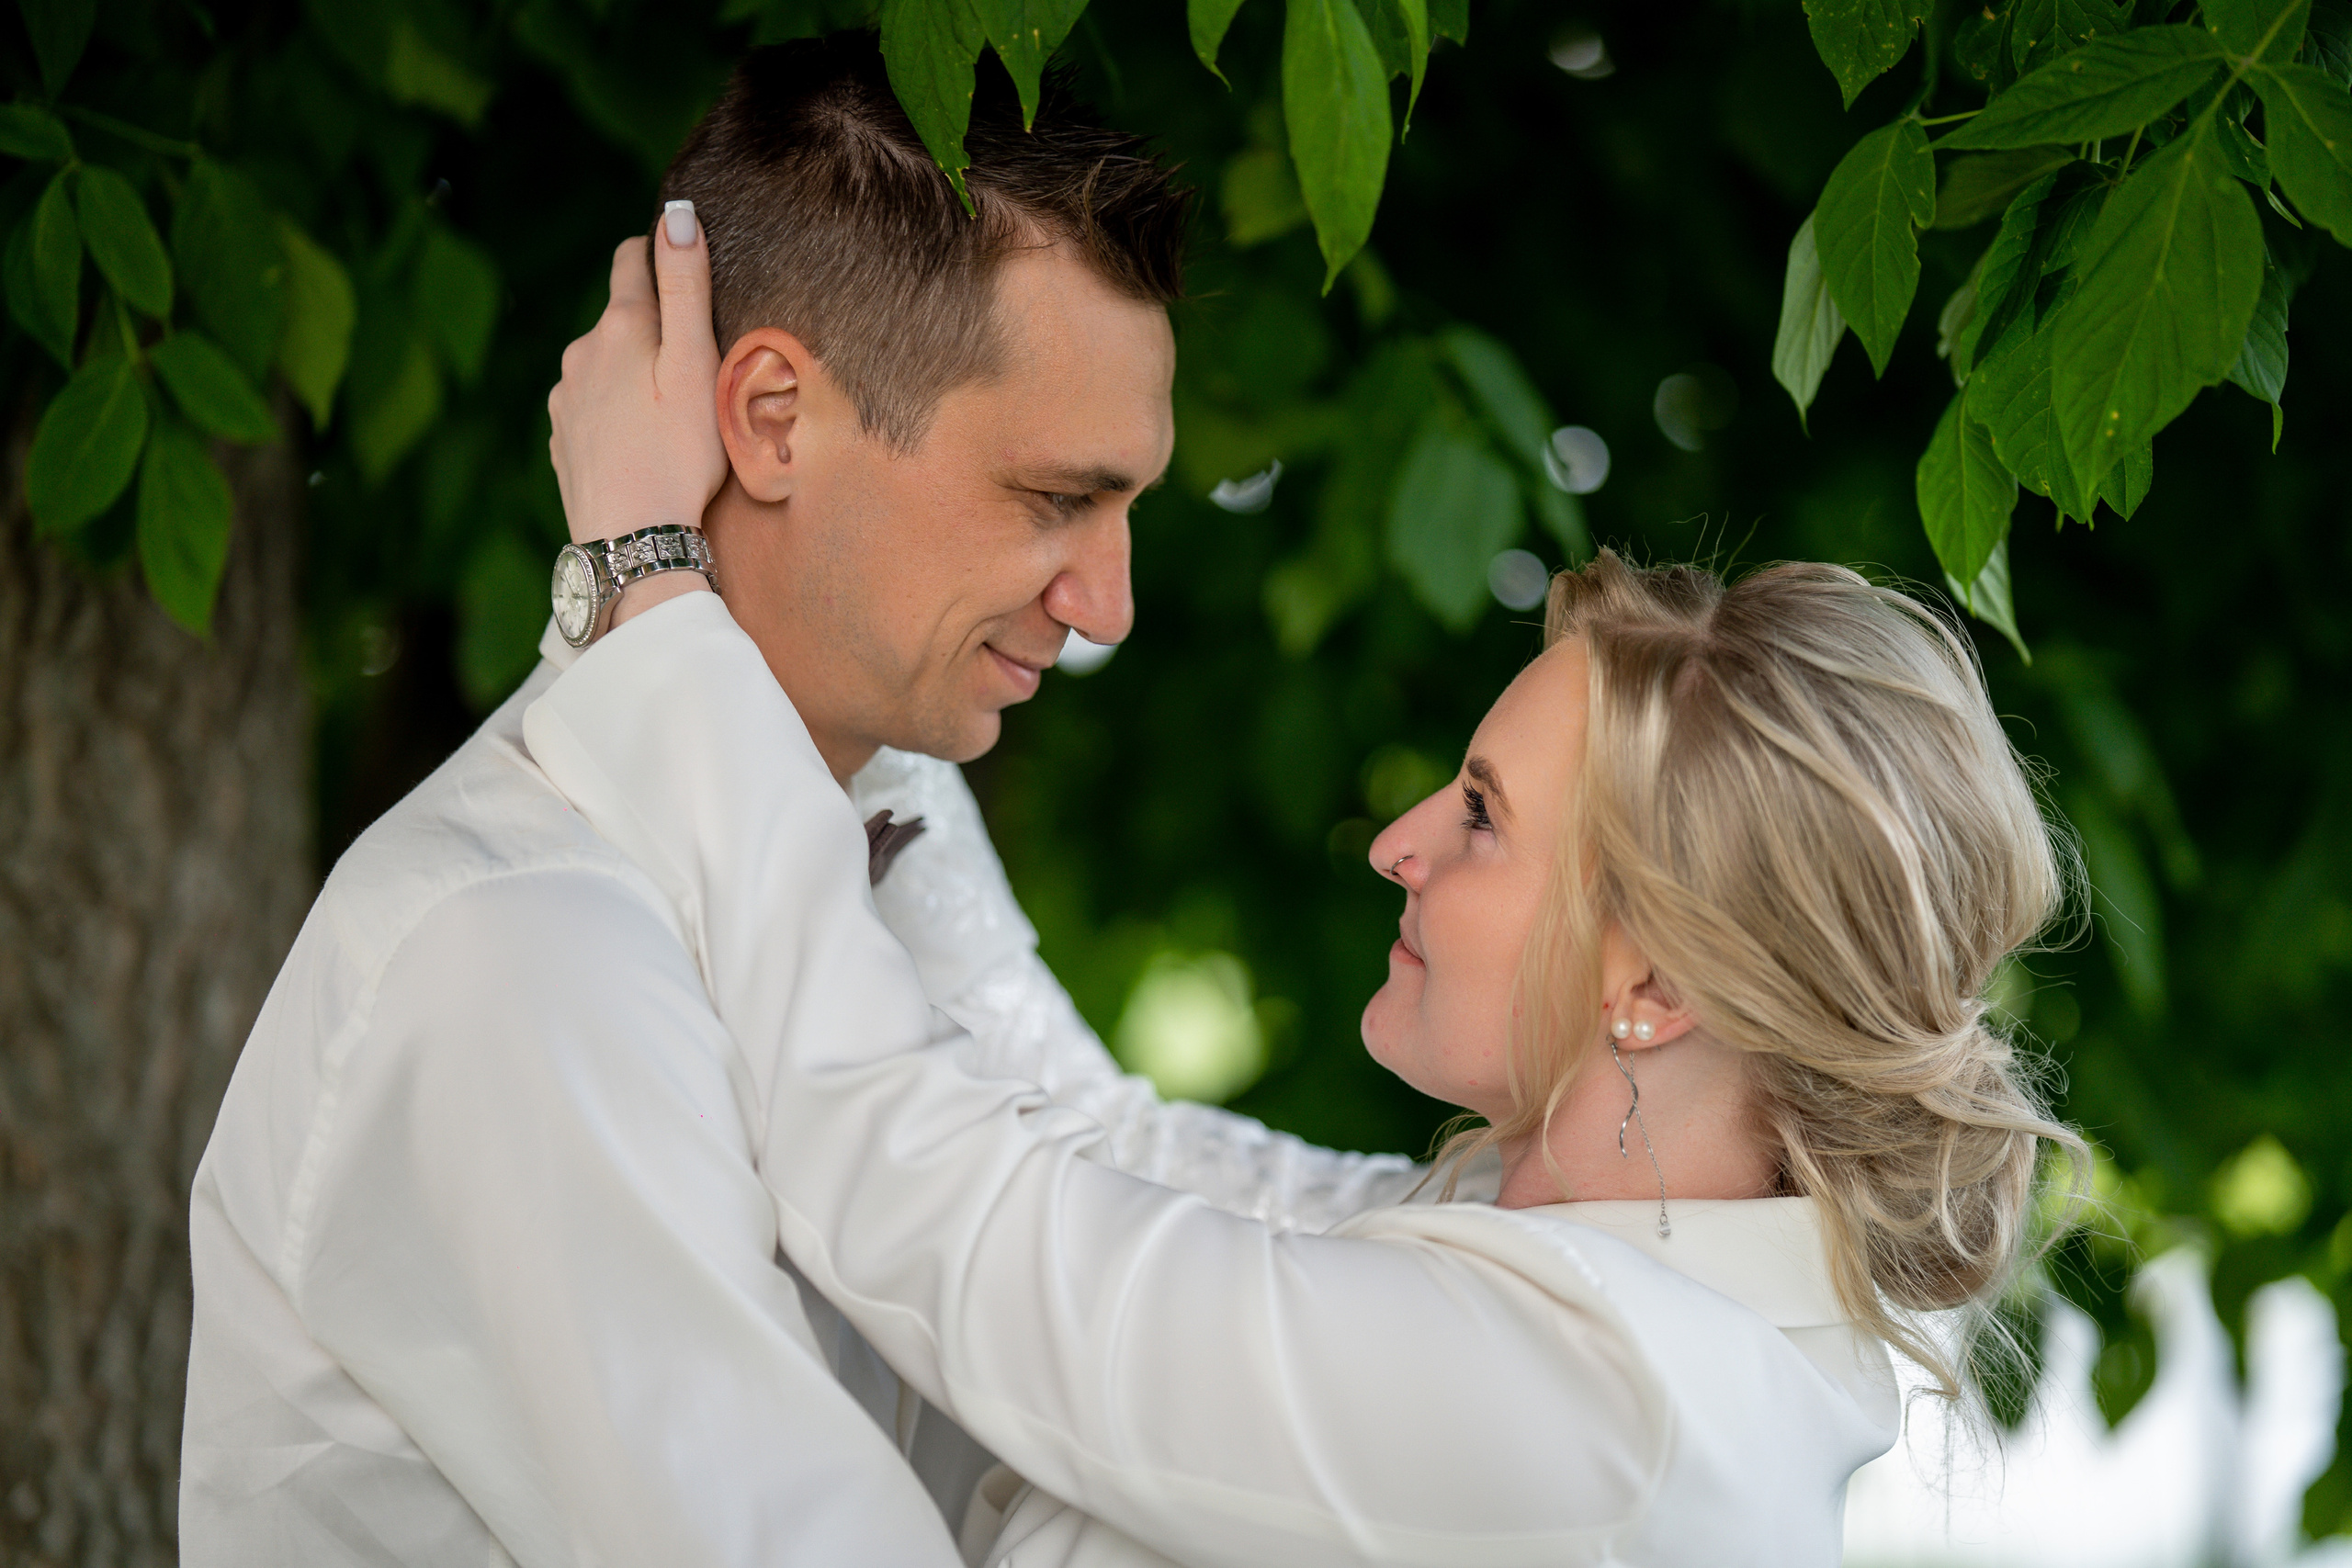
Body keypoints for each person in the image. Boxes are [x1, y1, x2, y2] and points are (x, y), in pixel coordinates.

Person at [525, 224, 2088, 1562]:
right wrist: (878, 707)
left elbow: (974, 1236)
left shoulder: (1607, 1419)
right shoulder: (1567, 1247)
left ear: (1658, 986)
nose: (1397, 842)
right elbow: (1104, 1149)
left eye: (1480, 819)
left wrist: (649, 579)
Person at [180, 39, 1431, 1566]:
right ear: (771, 419)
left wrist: (1591, 1240)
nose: (1107, 602)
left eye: (1128, 509)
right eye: (1055, 499)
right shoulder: (517, 959)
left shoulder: (881, 789)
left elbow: (1109, 1172)